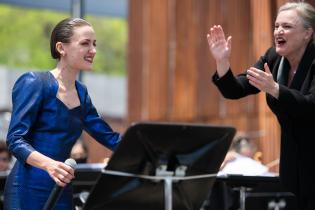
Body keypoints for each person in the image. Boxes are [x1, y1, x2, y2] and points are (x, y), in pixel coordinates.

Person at [4, 18, 121, 210]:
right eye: (85, 43)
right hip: (26, 187)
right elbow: (15, 140)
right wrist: (50, 165)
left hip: (61, 188)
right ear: (61, 47)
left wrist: (155, 151)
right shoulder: (34, 82)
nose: (93, 50)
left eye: (94, 44)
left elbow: (109, 137)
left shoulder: (81, 93)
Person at [207, 2, 315, 209]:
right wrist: (222, 62)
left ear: (307, 33)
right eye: (276, 26)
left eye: (287, 26)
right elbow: (236, 89)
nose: (278, 31)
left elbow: (311, 106)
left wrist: (276, 89)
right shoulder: (273, 58)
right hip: (293, 165)